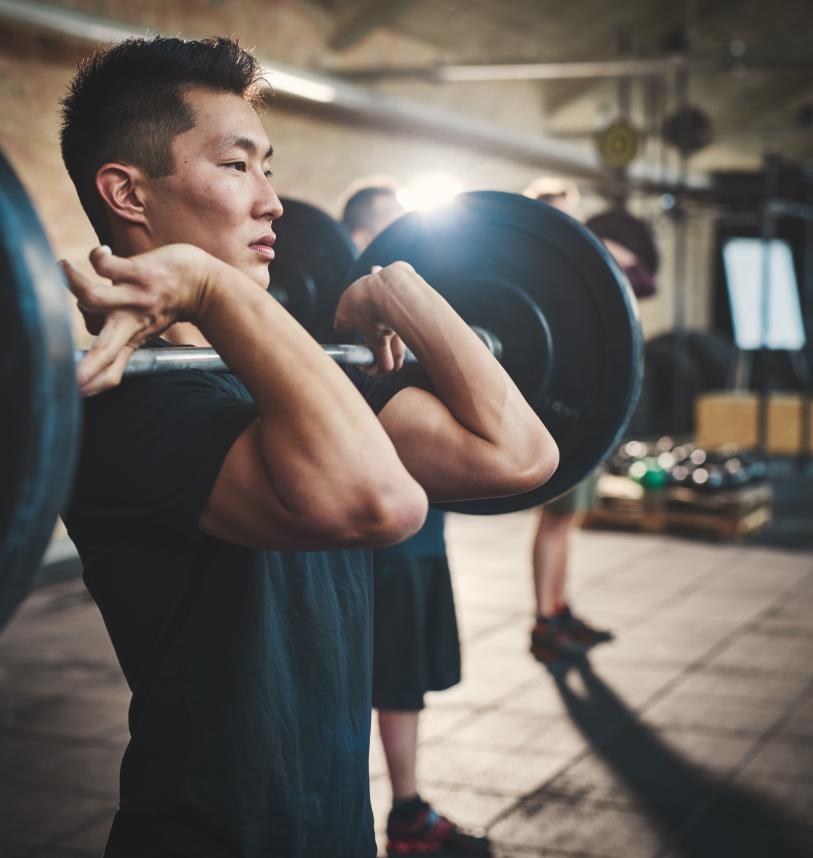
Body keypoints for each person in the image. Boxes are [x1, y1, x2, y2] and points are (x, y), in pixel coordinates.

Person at [58, 37, 558, 858]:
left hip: (331, 824)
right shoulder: (127, 411)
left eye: (269, 167)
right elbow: (382, 503)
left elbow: (516, 457)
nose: (271, 202)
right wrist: (215, 289)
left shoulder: (288, 382)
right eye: (235, 165)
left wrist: (402, 289)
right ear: (127, 192)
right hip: (209, 836)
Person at [342, 184, 489, 857]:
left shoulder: (419, 312)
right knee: (372, 675)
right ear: (355, 235)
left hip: (420, 522)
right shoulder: (330, 317)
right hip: (371, 530)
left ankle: (403, 809)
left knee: (401, 673)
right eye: (383, 233)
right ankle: (400, 814)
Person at [523, 178, 614, 670]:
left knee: (567, 521)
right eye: (559, 216)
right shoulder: (535, 274)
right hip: (552, 415)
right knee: (553, 521)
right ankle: (543, 621)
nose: (569, 227)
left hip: (585, 408)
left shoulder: (576, 270)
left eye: (570, 216)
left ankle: (558, 608)